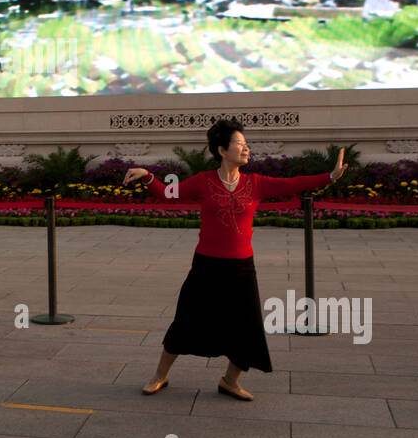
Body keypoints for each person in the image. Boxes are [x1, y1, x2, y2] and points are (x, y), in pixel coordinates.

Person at [122, 120, 345, 400]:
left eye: (245, 144)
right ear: (222, 149)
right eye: (240, 144)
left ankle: (230, 380)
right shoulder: (203, 181)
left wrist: (330, 177)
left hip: (241, 267)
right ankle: (160, 375)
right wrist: (146, 176)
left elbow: (293, 184)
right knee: (186, 321)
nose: (246, 149)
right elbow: (170, 193)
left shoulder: (256, 184)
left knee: (247, 326)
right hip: (206, 265)